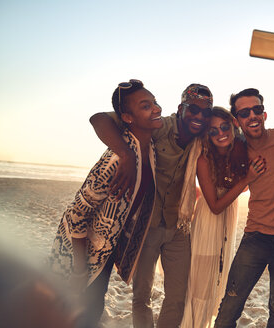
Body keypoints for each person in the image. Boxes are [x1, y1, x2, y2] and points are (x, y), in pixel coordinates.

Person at [89, 83, 213, 327]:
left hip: (179, 226)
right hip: (146, 226)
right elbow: (99, 119)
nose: (199, 116)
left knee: (177, 296)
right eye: (193, 110)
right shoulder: (158, 127)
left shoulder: (203, 138)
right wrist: (125, 154)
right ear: (181, 108)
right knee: (141, 296)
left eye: (205, 112)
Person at [48, 79, 163, 328]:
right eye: (146, 105)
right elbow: (75, 213)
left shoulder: (149, 148)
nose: (156, 108)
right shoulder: (115, 160)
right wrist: (79, 270)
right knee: (78, 312)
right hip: (79, 255)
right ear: (127, 117)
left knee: (92, 308)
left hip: (104, 250)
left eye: (154, 102)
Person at [214, 88, 274, 328]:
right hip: (256, 237)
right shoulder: (237, 151)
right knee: (231, 305)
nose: (252, 115)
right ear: (237, 120)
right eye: (244, 112)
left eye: (257, 109)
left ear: (264, 114)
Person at [181, 106, 266, 328]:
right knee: (201, 283)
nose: (220, 133)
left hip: (227, 222)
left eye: (224, 126)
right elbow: (216, 206)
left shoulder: (239, 151)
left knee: (216, 279)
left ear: (233, 125)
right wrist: (247, 178)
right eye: (213, 130)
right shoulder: (203, 159)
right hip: (208, 221)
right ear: (206, 135)